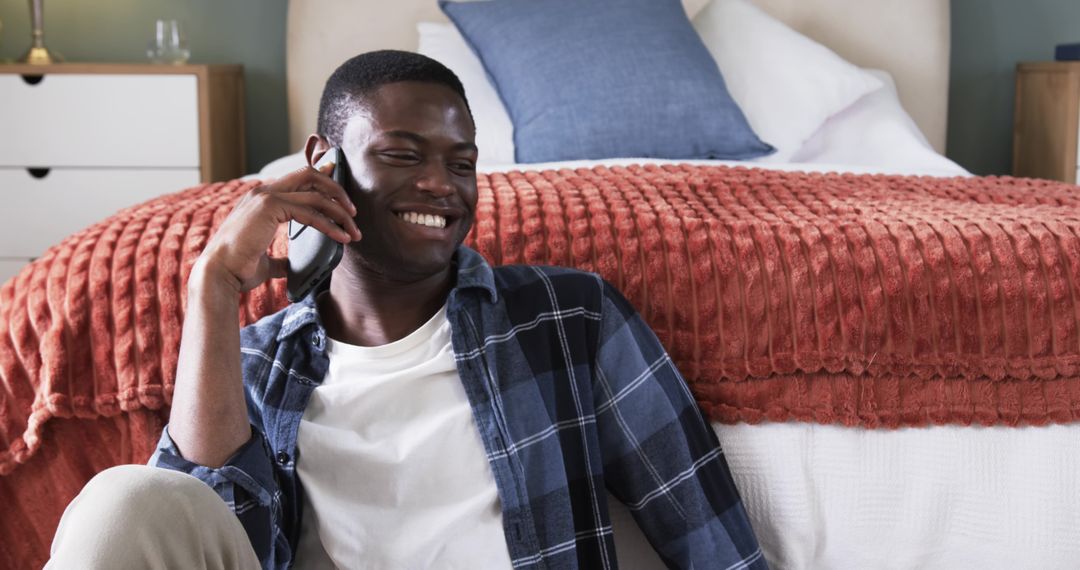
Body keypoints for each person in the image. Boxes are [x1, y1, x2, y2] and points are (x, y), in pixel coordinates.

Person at [47, 50, 766, 570]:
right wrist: (211, 291)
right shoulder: (258, 363)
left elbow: (712, 539)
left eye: (461, 163)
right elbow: (195, 531)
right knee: (123, 502)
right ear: (323, 164)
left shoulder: (568, 317)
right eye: (402, 154)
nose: (440, 186)